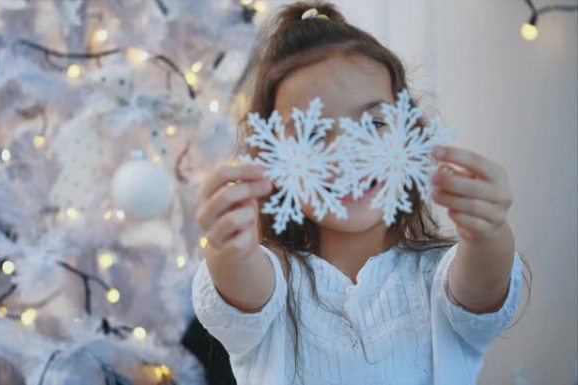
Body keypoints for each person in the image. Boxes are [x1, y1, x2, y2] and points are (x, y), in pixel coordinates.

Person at [192, 1, 526, 384]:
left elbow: (483, 282)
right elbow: (243, 283)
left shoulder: (440, 278)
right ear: (273, 162)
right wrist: (228, 246)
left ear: (410, 135)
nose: (347, 154)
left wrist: (488, 228)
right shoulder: (274, 280)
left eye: (375, 124)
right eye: (313, 133)